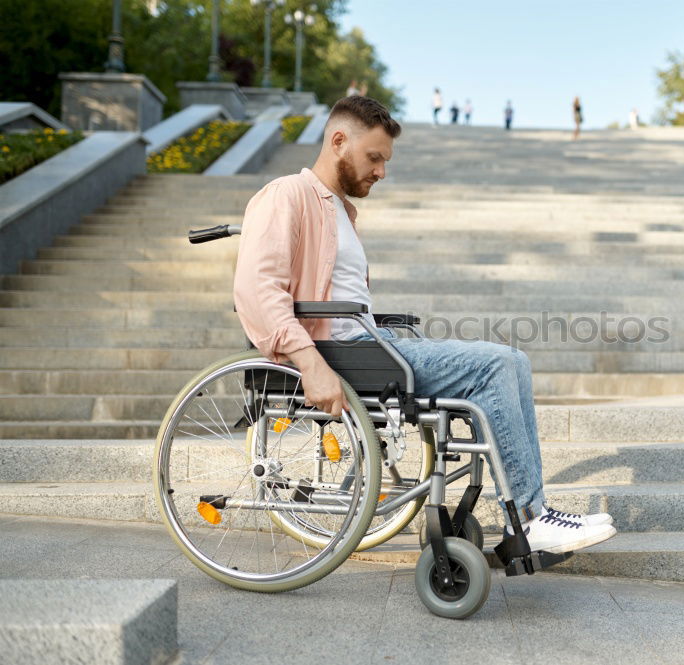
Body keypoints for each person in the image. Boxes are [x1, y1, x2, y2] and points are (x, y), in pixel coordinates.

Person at [233, 96, 616, 554]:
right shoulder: (286, 195)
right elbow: (257, 291)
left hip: (369, 343)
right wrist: (310, 364)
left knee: (513, 361)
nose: (381, 171)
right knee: (495, 366)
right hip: (339, 353)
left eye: (384, 161)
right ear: (338, 142)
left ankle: (532, 516)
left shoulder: (339, 212)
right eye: (374, 158)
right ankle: (531, 518)